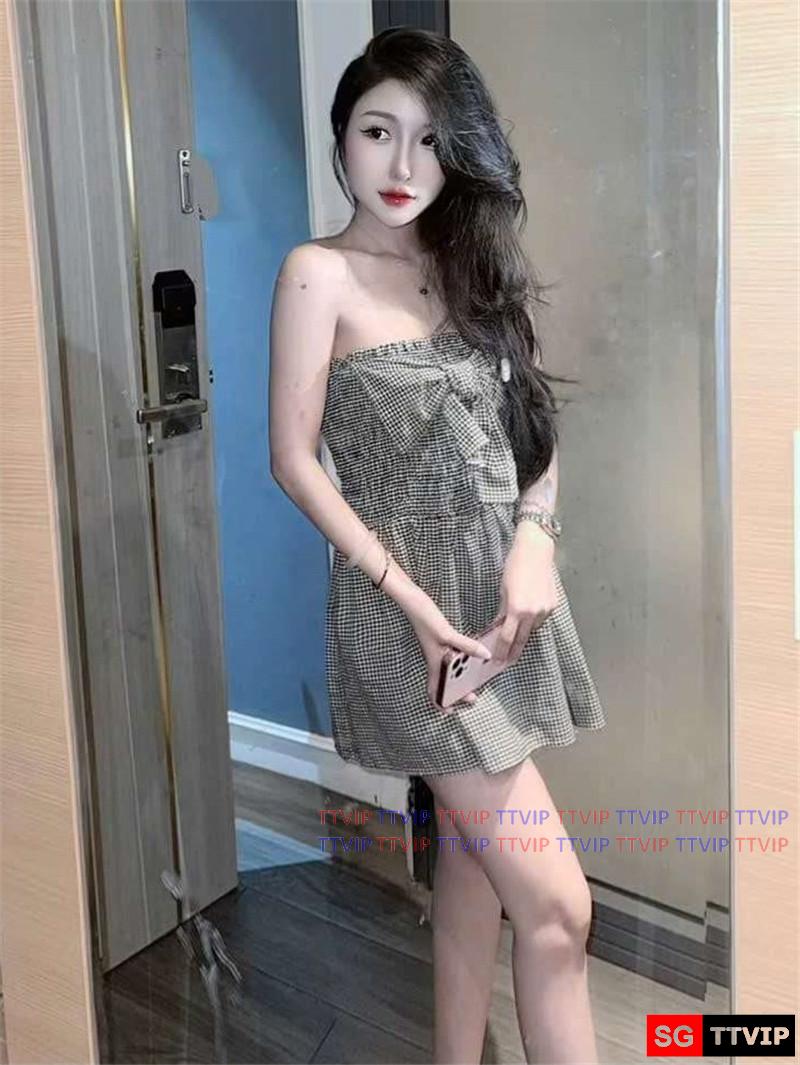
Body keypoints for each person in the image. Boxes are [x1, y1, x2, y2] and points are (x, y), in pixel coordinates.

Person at [269, 27, 606, 1065]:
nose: (404, 164)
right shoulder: (318, 273)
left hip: (497, 605)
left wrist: (535, 540)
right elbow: (293, 460)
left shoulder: (467, 265)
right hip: (407, 623)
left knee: (470, 859)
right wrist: (412, 605)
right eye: (378, 132)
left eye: (428, 138)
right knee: (559, 909)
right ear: (342, 136)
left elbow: (534, 427)